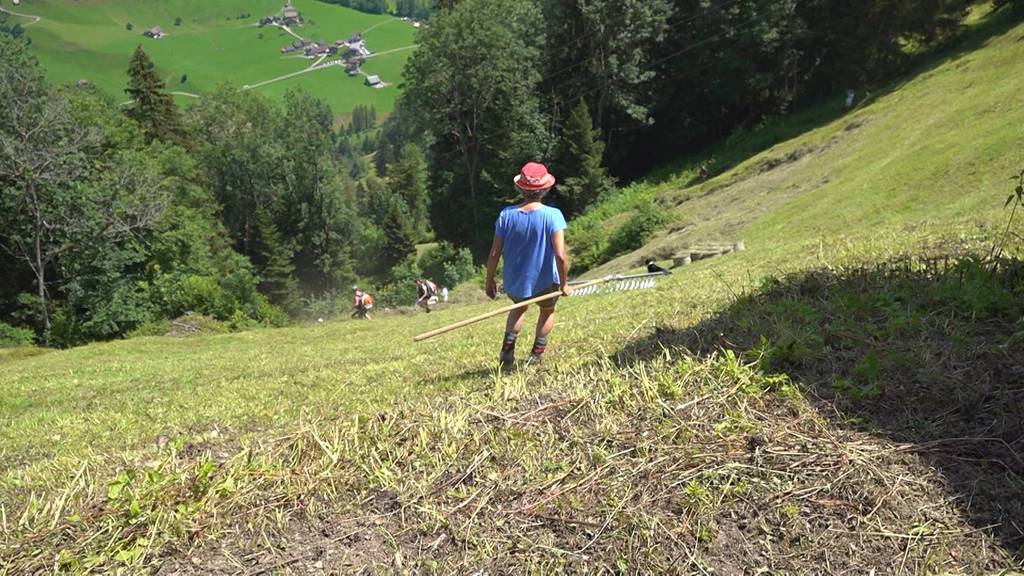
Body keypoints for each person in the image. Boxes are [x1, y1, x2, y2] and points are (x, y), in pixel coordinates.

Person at [485, 162, 572, 367]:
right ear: (545, 188)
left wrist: (489, 281)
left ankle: (507, 351)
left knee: (518, 308)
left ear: (521, 188)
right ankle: (536, 354)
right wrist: (563, 284)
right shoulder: (553, 215)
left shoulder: (506, 215)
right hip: (546, 281)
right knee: (547, 311)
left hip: (516, 281)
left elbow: (494, 254)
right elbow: (560, 256)